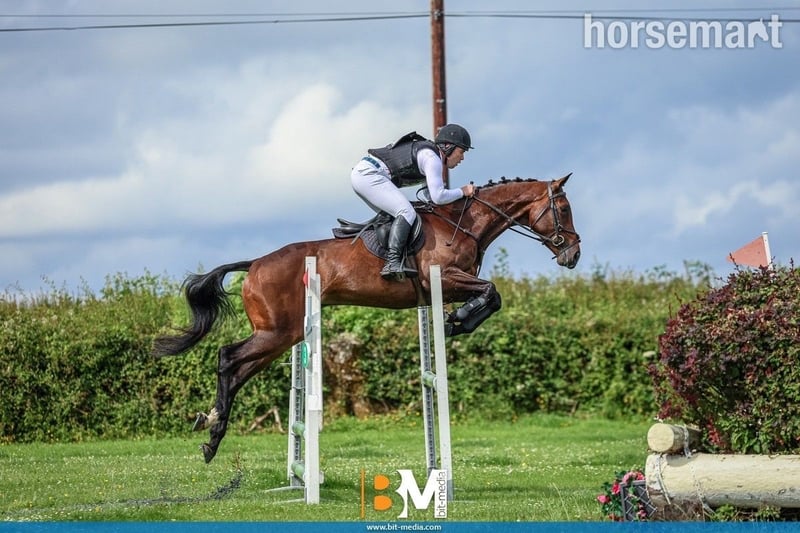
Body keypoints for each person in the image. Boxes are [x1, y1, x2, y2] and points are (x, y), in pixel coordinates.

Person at [351, 123, 475, 281]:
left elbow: (429, 197)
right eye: (461, 152)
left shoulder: (430, 156)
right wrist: (463, 191)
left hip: (365, 174)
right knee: (406, 212)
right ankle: (392, 262)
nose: (462, 158)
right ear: (448, 147)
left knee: (398, 214)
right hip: (369, 175)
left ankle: (388, 257)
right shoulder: (432, 159)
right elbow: (438, 197)